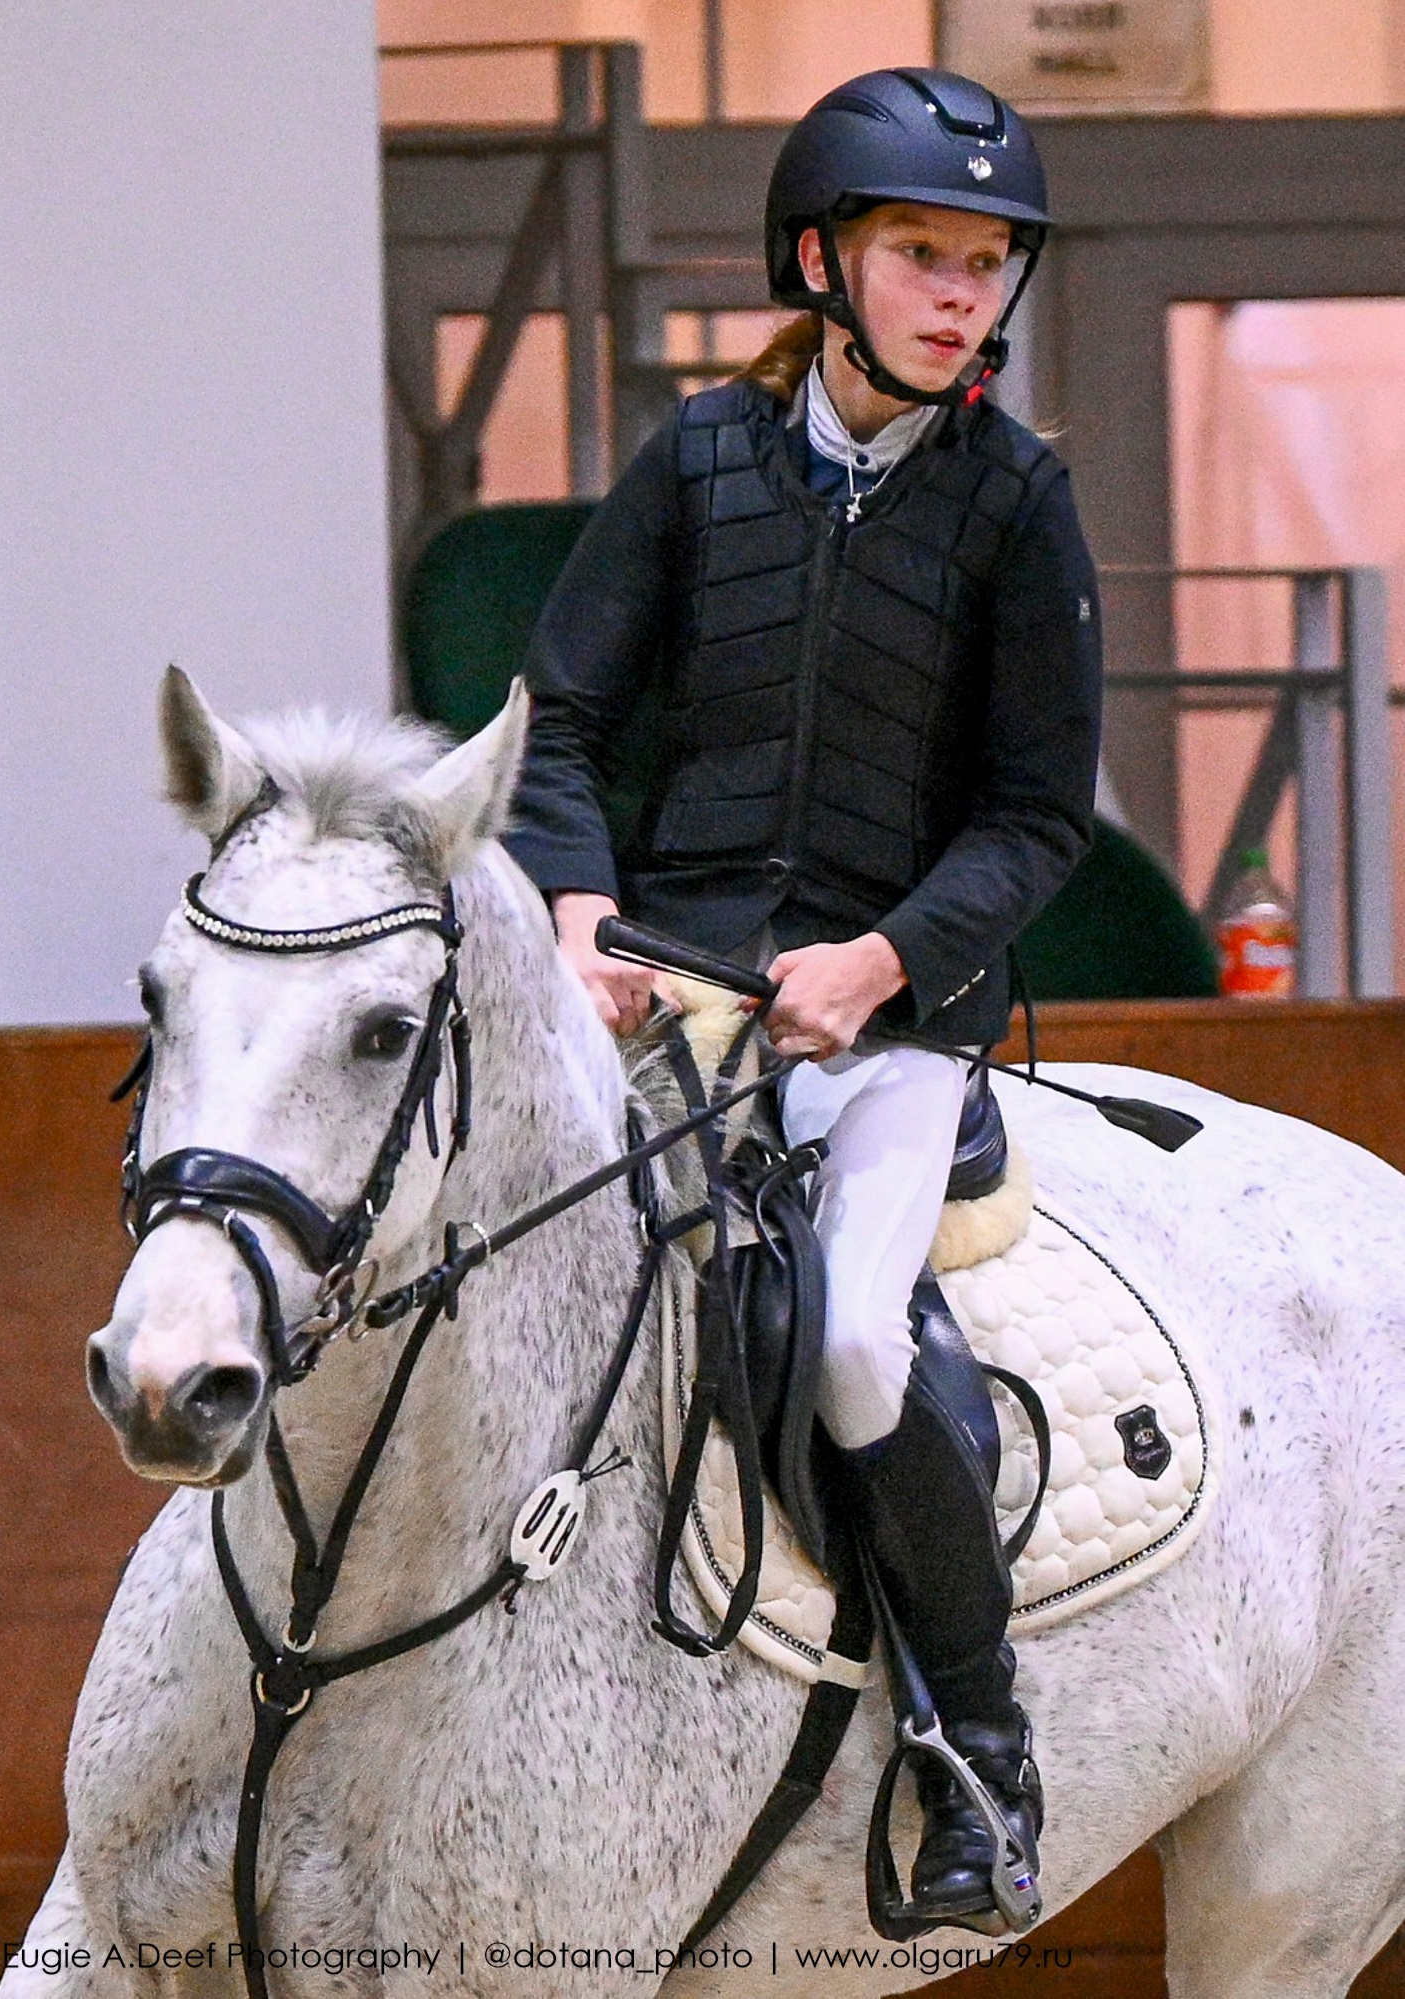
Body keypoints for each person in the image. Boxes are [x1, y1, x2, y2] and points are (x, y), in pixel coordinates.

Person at [504, 68, 1103, 1930]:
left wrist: (883, 960)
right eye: (924, 254)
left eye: (989, 263)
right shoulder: (696, 463)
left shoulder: (1018, 504)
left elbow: (1034, 817)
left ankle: (978, 1753)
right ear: (822, 263)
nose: (962, 295)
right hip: (660, 993)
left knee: (850, 1338)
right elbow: (563, 725)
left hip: (895, 1026)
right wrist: (582, 909)